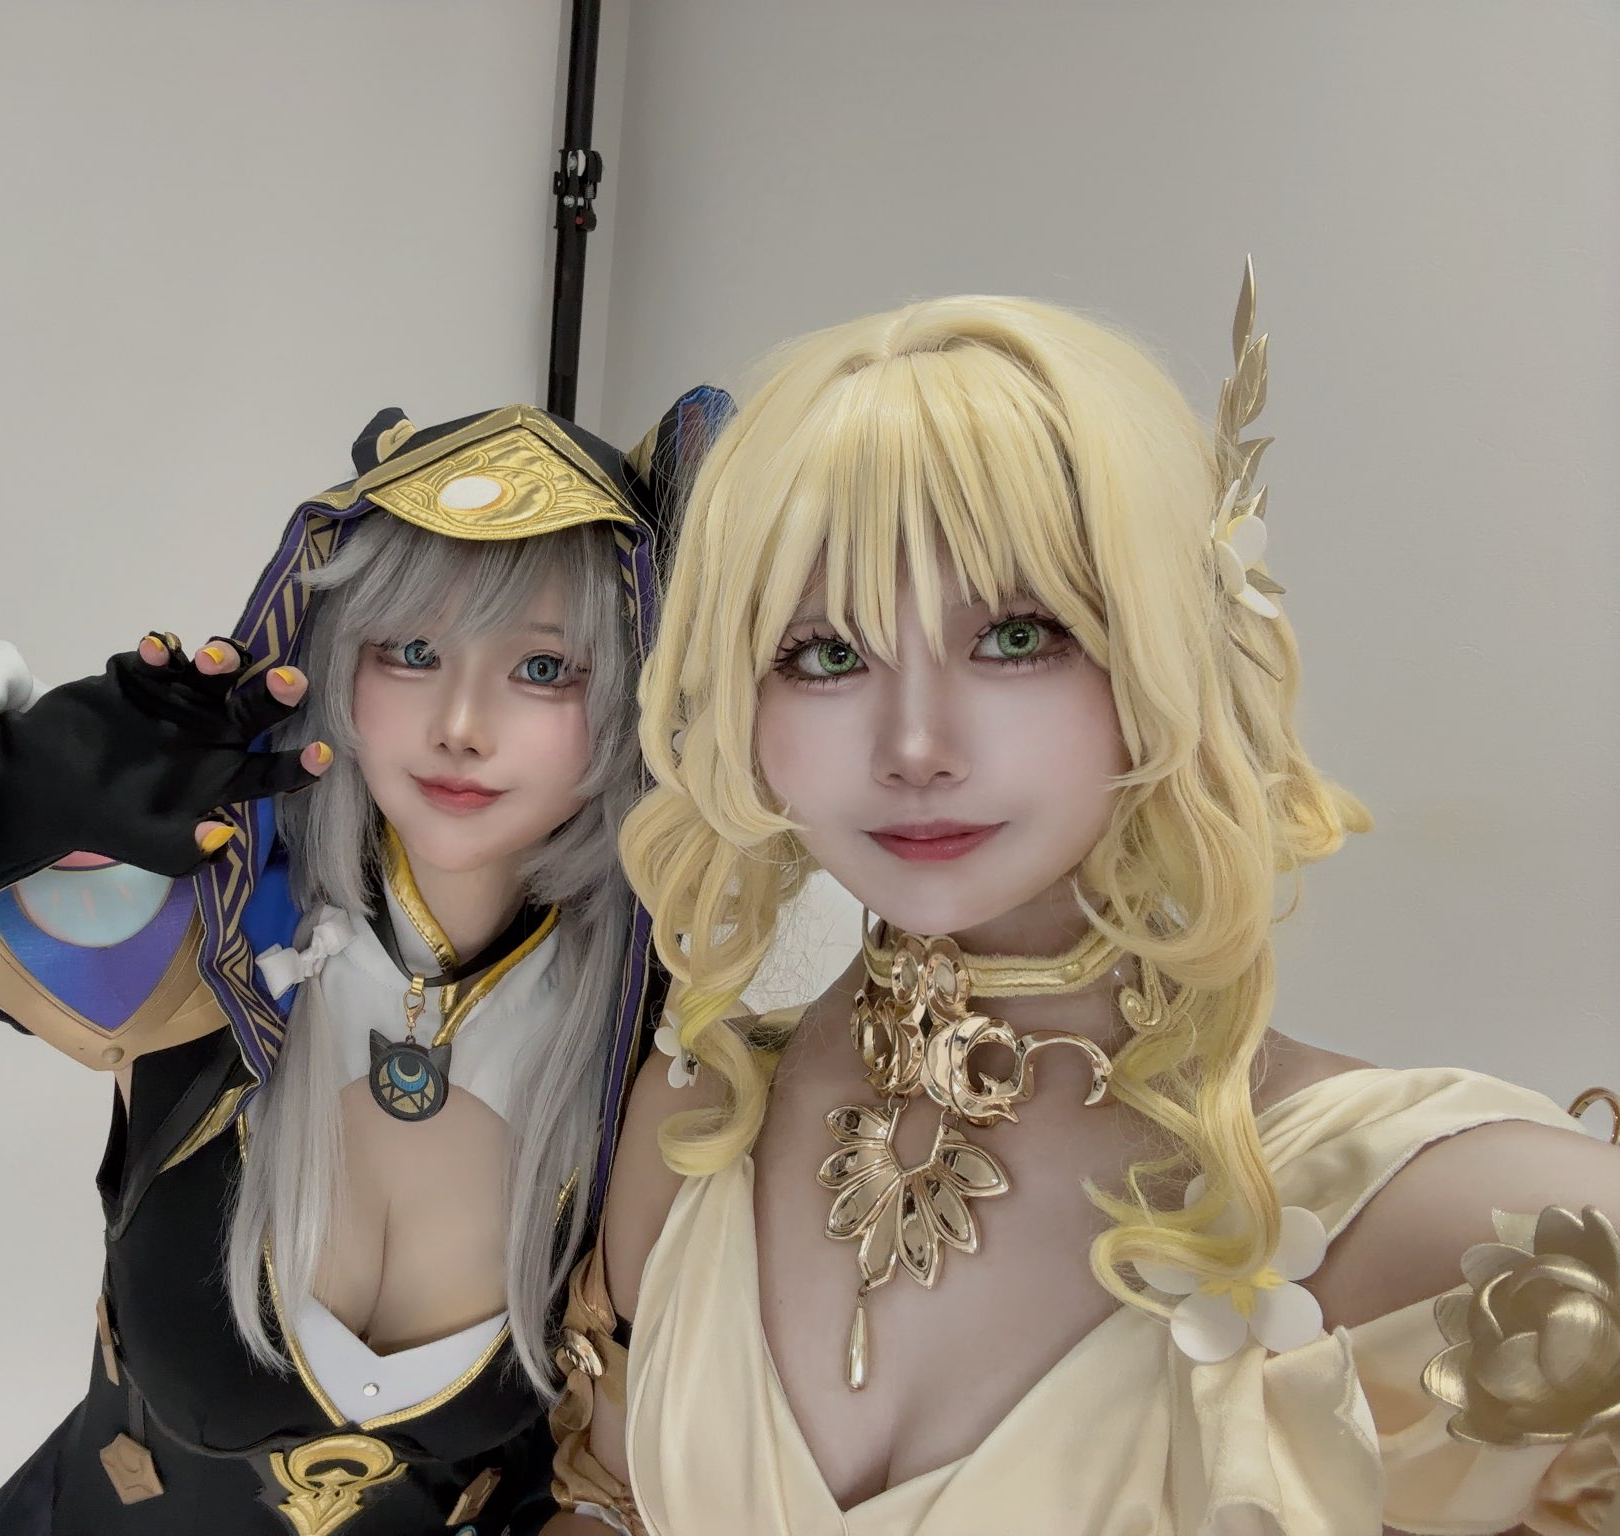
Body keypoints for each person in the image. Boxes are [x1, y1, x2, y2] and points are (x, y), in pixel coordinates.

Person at [545, 269, 1620, 1536]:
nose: (913, 746)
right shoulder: (691, 1125)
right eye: (825, 655)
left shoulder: (1430, 1221)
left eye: (1015, 636)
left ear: (1166, 652)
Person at [0, 393, 725, 1534]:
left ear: (634, 688)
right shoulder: (198, 932)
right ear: (340, 662)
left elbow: (620, 1484)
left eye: (543, 668)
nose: (461, 723)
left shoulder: (655, 1047)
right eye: (412, 651)